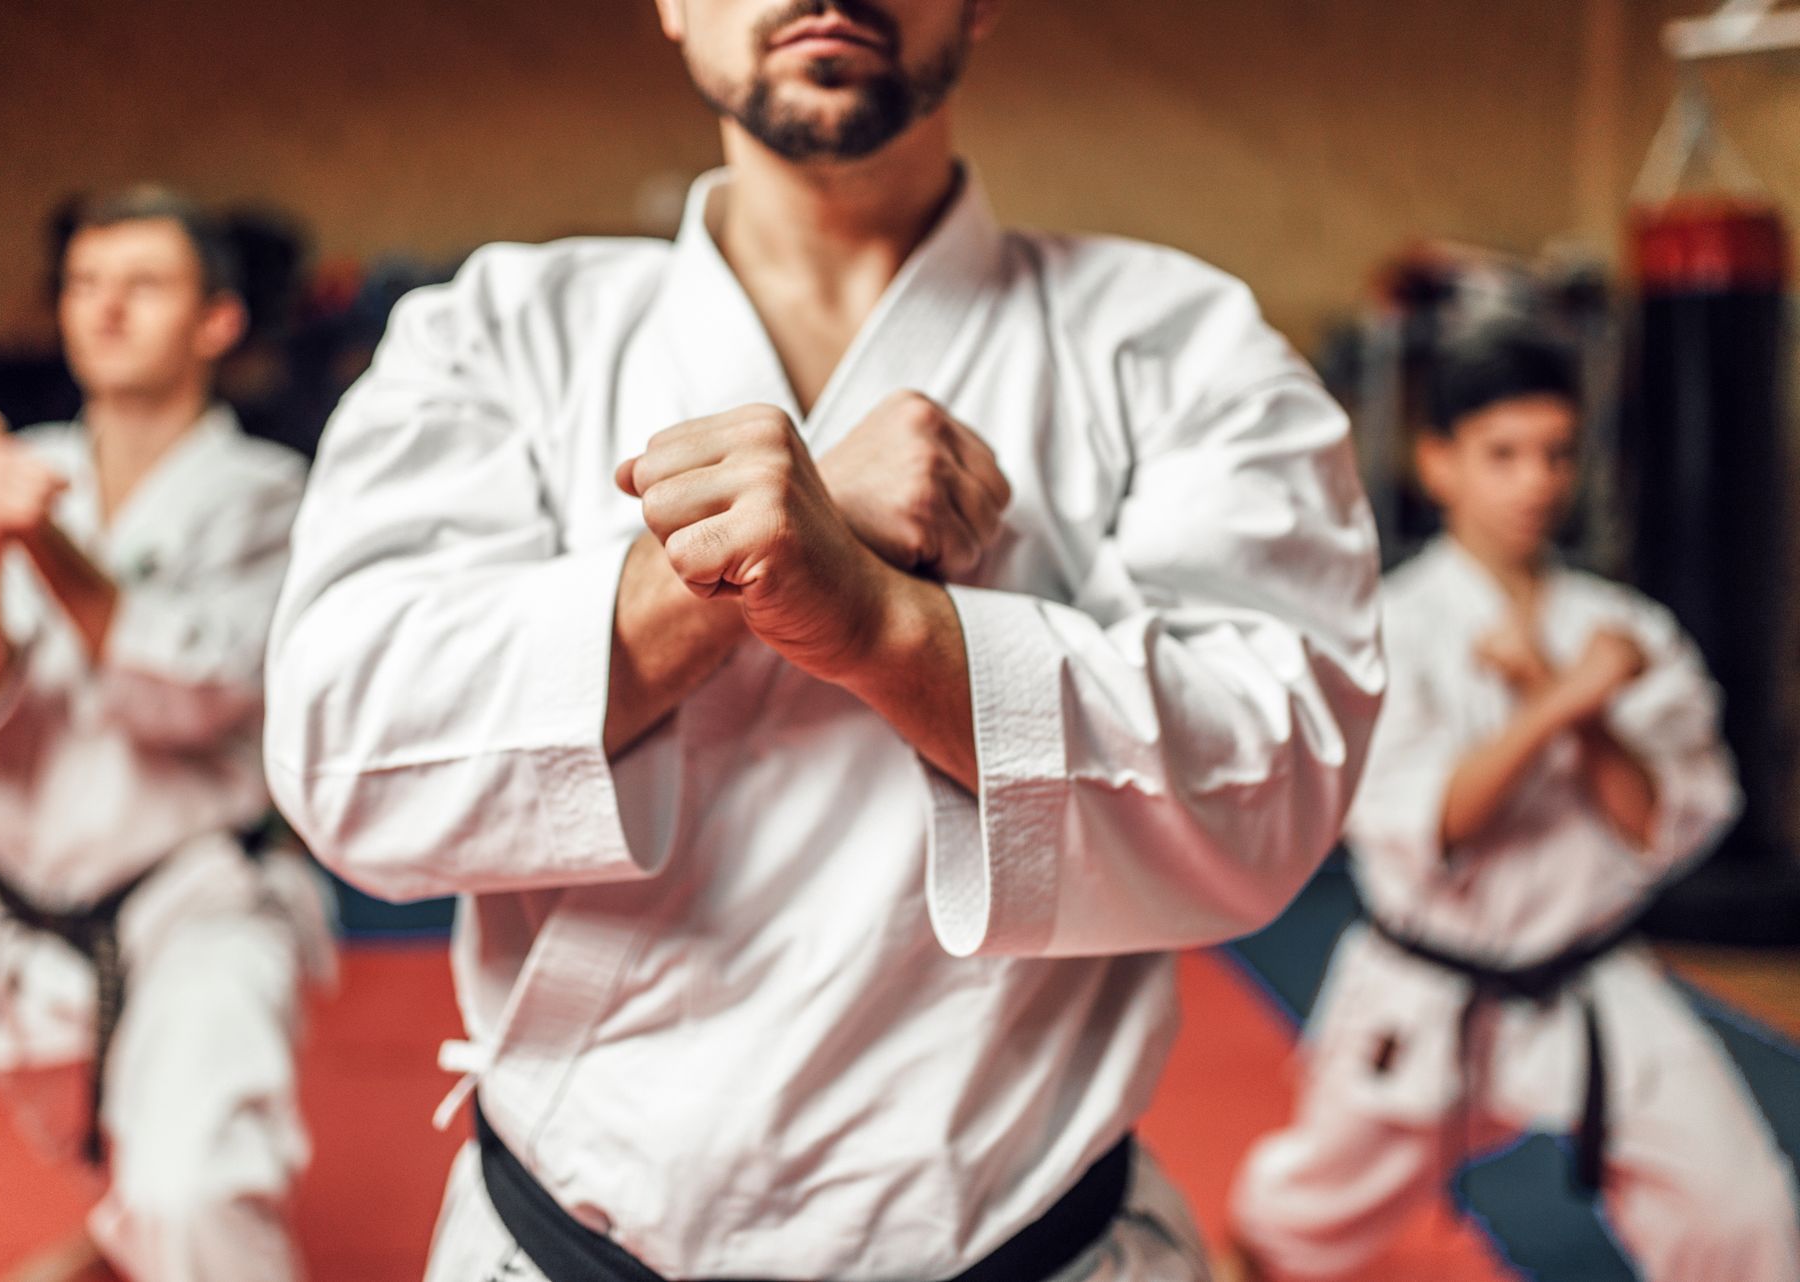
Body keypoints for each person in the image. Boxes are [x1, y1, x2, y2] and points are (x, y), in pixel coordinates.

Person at [265, 2, 1384, 1278]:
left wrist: (884, 625)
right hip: (564, 1244)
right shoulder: (500, 336)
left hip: (1036, 1245)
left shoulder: (1180, 346)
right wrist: (749, 558)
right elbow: (344, 753)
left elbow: (1270, 792)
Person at [1227, 323, 1800, 1281]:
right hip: (1423, 990)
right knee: (1302, 1218)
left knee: (1746, 1217)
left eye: (1556, 453)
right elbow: (1439, 824)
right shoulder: (1388, 630)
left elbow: (1655, 823)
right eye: (1503, 454)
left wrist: (1579, 707)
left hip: (1589, 984)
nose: (1536, 481)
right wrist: (1563, 697)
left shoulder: (1622, 629)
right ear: (1438, 462)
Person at [0, 187, 330, 1282]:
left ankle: (142, 1223)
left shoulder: (274, 497)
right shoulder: (2, 470)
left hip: (201, 901)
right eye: (85, 285)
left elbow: (199, 691)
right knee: (126, 1159)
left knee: (195, 1195)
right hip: (31, 913)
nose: (105, 310)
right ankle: (111, 1227)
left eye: (143, 285)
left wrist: (40, 536)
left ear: (216, 322)